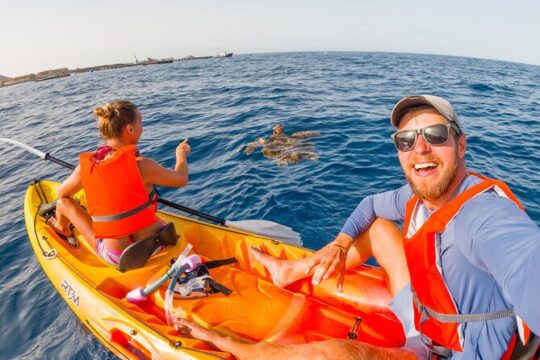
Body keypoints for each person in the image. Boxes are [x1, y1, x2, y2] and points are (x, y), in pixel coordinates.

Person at [175, 95, 540, 359]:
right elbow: (369, 205)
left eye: (436, 135)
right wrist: (339, 243)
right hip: (427, 320)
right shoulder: (420, 196)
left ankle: (231, 346)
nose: (420, 148)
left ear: (461, 145)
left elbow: (525, 261)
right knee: (380, 226)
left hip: (456, 349)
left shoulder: (484, 215)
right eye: (407, 140)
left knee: (340, 354)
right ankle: (292, 270)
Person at [44, 100, 191, 266]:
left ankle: (62, 228)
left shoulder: (87, 167)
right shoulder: (143, 165)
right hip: (159, 243)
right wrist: (180, 154)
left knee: (63, 203)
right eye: (140, 122)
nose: (142, 127)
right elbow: (181, 178)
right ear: (130, 129)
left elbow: (62, 193)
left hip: (120, 257)